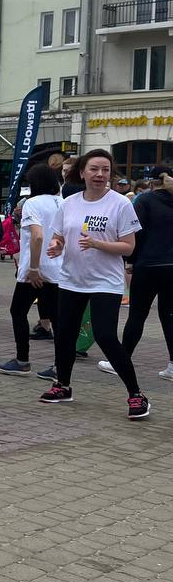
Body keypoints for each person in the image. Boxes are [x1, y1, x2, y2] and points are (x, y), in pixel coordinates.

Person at [39, 149, 149, 418]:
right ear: (82, 172)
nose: (100, 174)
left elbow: (129, 247)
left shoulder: (120, 204)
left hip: (105, 282)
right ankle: (63, 386)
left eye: (105, 170)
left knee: (105, 336)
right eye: (94, 169)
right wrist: (56, 245)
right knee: (65, 335)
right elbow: (59, 236)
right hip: (72, 279)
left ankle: (136, 394)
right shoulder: (69, 203)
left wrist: (97, 244)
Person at [100, 164, 173, 383]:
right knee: (169, 315)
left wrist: (130, 261)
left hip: (148, 265)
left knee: (137, 315)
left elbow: (135, 233)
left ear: (151, 181)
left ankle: (121, 361)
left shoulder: (144, 201)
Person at [0, 163, 62, 379]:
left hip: (35, 270)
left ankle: (22, 360)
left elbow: (37, 236)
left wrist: (33, 268)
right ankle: (60, 366)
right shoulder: (63, 202)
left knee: (18, 311)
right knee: (57, 318)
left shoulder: (32, 203)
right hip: (58, 269)